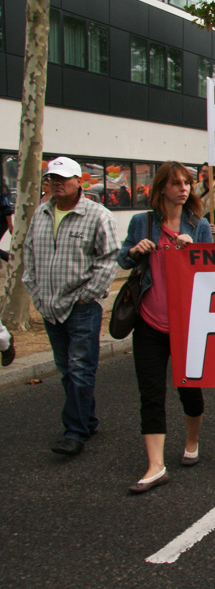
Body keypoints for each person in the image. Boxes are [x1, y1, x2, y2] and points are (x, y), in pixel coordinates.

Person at [117, 161, 213, 493]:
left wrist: (195, 252)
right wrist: (134, 250)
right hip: (148, 322)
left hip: (187, 324)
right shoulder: (142, 222)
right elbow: (122, 258)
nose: (184, 188)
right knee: (151, 393)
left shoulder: (199, 225)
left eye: (187, 182)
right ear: (161, 189)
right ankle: (155, 465)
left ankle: (191, 440)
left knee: (190, 390)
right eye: (176, 183)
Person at [23, 157, 119, 456]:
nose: (56, 183)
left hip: (81, 307)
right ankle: (87, 420)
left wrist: (87, 295)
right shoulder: (41, 213)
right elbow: (29, 254)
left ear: (80, 181)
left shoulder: (97, 215)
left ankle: (74, 431)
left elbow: (109, 258)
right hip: (49, 305)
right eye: (51, 178)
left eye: (63, 178)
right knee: (66, 368)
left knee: (80, 367)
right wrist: (36, 293)